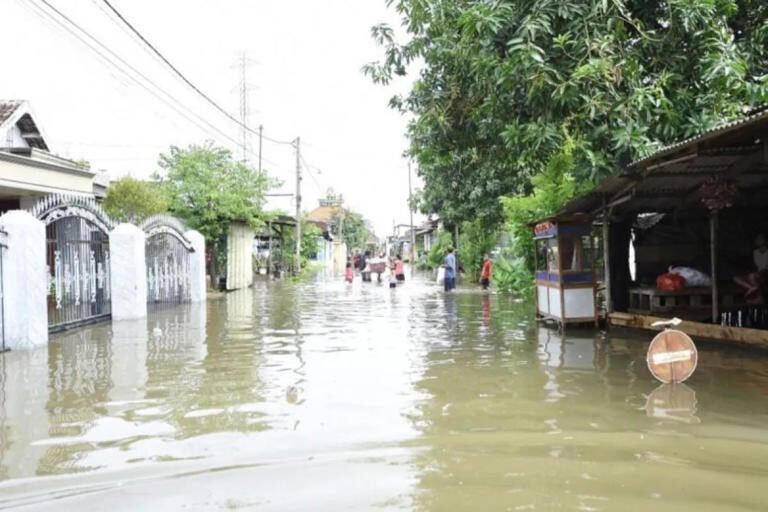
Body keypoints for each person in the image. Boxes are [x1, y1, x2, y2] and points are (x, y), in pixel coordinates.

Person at [735, 233, 768, 302]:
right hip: (756, 273)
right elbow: (755, 265)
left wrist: (759, 272)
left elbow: (765, 267)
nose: (758, 241)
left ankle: (758, 297)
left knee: (753, 277)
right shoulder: (755, 252)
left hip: (765, 273)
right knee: (736, 277)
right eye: (757, 239)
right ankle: (751, 288)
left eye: (760, 239)